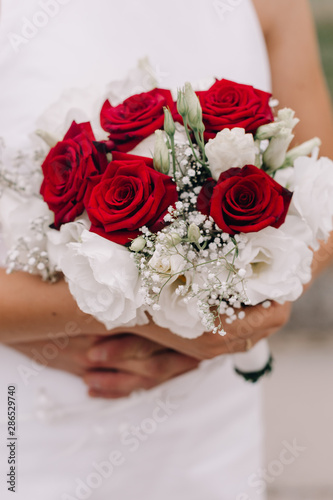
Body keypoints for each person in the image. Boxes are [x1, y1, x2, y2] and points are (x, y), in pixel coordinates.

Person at [0, 0, 332, 498]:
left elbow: (320, 184)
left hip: (211, 432)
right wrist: (137, 315)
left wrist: (268, 288)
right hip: (35, 430)